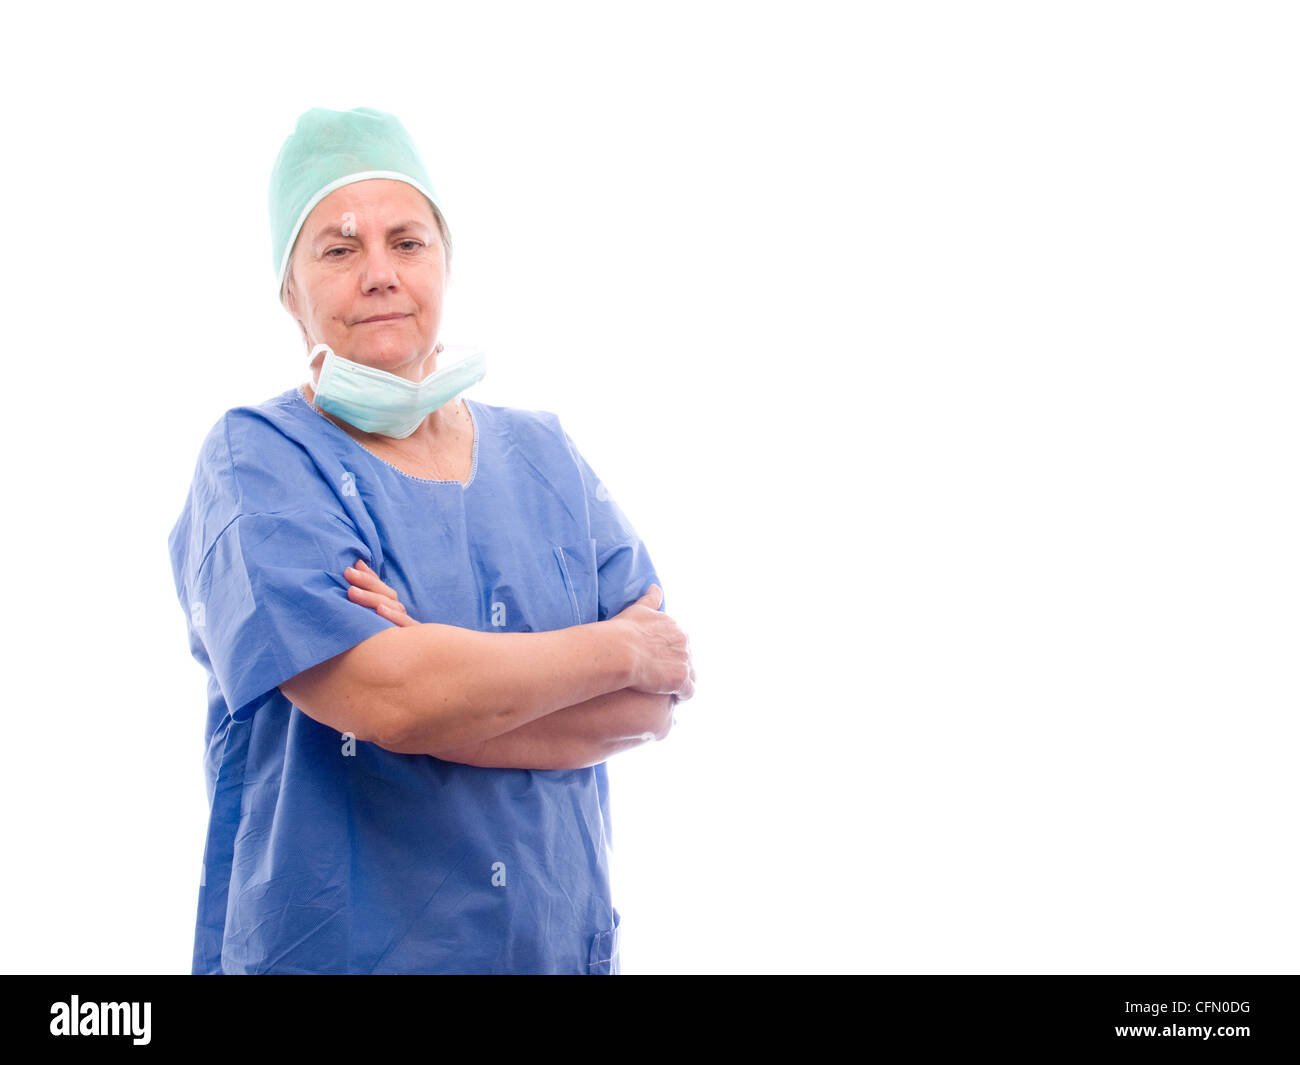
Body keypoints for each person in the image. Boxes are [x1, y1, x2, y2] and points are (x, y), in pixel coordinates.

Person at [167, 107, 695, 975]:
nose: (380, 274)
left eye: (407, 242)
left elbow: (649, 705)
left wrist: (438, 675)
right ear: (289, 291)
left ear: (445, 263)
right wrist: (612, 649)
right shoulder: (259, 462)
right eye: (338, 250)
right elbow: (387, 701)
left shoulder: (547, 457)